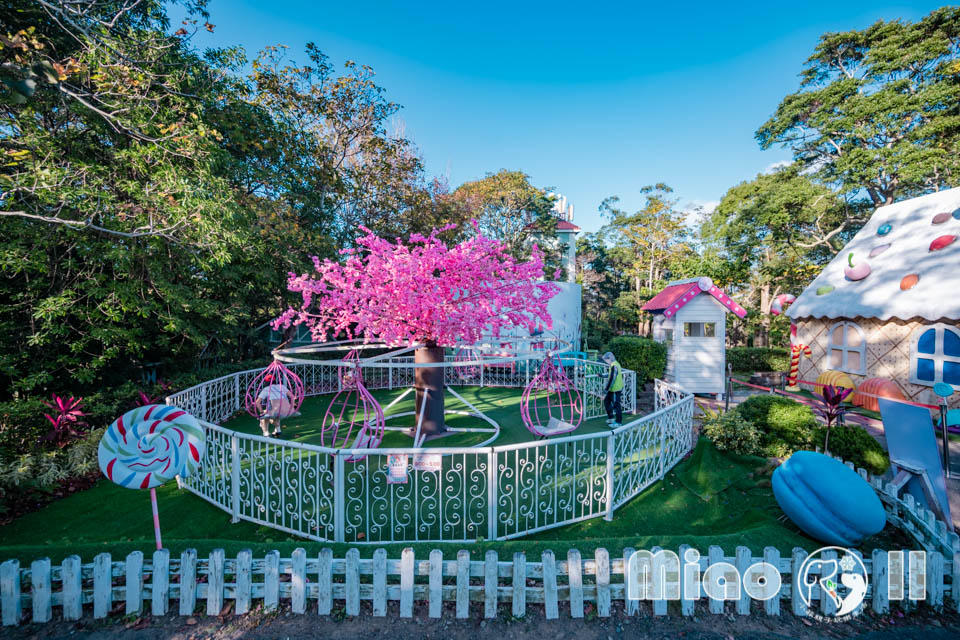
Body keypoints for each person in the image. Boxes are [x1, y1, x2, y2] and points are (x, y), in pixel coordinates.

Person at [601, 351, 623, 427]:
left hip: (615, 389)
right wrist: (602, 375)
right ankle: (611, 418)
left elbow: (612, 379)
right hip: (612, 389)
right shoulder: (614, 364)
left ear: (609, 358)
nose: (606, 362)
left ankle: (618, 422)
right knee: (607, 401)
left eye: (606, 360)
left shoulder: (614, 365)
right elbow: (610, 374)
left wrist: (605, 391)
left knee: (617, 405)